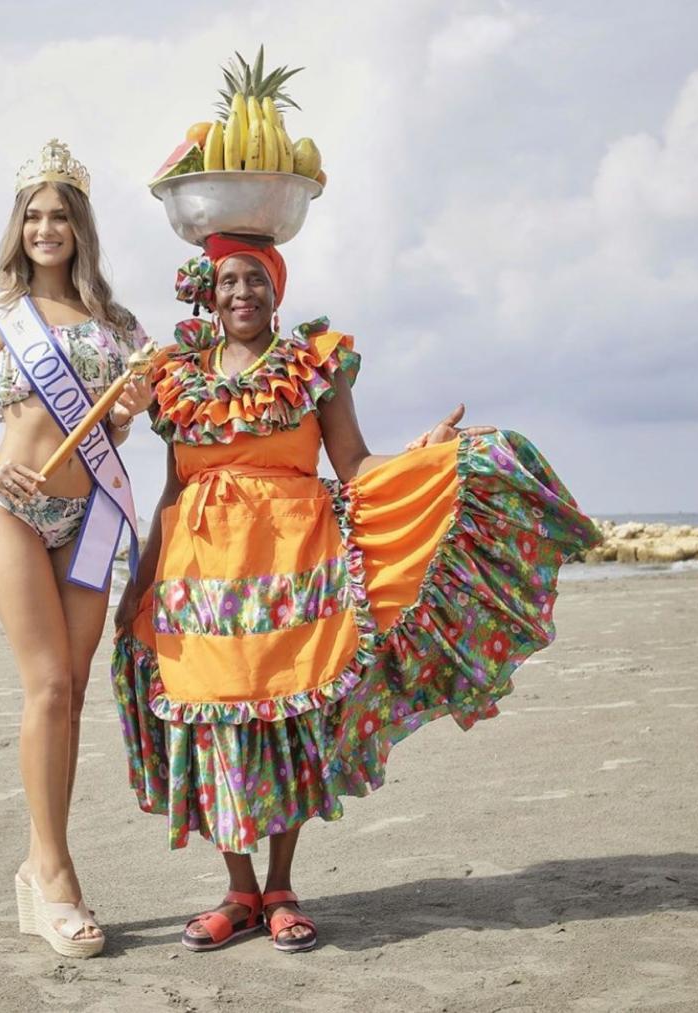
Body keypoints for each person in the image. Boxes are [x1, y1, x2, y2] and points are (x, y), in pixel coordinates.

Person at [113, 233, 599, 953]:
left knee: (288, 726)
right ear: (208, 295)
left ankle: (278, 889)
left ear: (277, 291)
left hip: (295, 573)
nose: (241, 293)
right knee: (216, 728)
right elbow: (172, 488)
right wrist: (140, 580)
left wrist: (425, 455)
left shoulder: (315, 367)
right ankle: (237, 891)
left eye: (255, 280)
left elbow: (354, 461)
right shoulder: (177, 378)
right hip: (199, 582)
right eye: (228, 282)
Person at [0, 139, 152, 958]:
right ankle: (58, 874)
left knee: (70, 689)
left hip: (91, 516)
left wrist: (129, 407)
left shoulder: (118, 323)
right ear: (17, 226)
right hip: (14, 514)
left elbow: (121, 424)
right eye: (33, 214)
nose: (46, 227)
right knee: (44, 685)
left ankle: (38, 864)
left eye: (60, 214)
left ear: (81, 225)